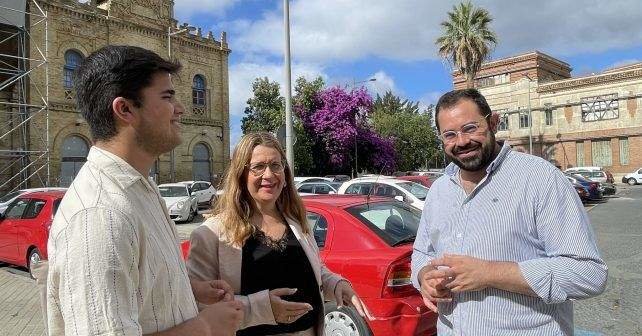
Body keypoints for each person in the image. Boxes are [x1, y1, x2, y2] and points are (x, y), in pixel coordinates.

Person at [46, 45, 243, 336]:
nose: (181, 108)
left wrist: (187, 289)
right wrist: (205, 326)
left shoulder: (139, 188)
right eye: (167, 97)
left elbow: (135, 285)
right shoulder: (99, 215)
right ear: (125, 109)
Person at [411, 88, 607, 335]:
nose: (461, 141)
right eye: (449, 134)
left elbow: (589, 274)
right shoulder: (439, 189)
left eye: (470, 128)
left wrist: (490, 273)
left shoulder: (541, 178)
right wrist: (424, 276)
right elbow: (421, 252)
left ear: (493, 122)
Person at [186, 132, 365, 336]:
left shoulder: (297, 221)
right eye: (258, 167)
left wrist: (336, 284)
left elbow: (314, 269)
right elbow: (198, 304)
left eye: (276, 165)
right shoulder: (210, 234)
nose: (269, 175)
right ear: (241, 175)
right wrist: (262, 309)